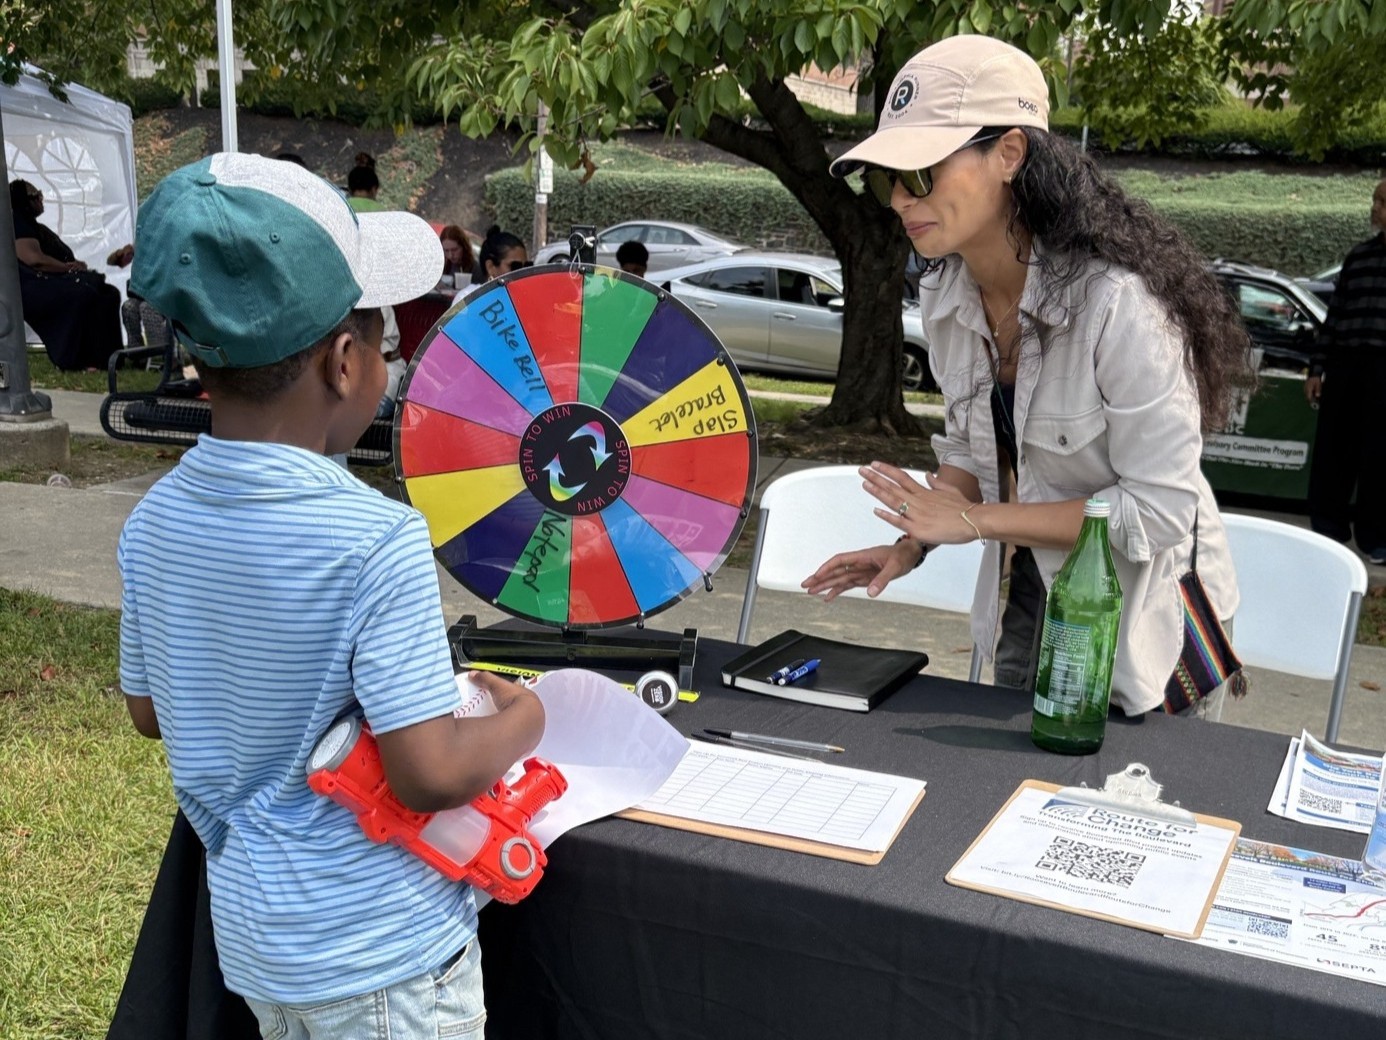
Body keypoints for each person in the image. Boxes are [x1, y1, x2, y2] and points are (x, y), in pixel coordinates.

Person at [118, 153, 545, 1037]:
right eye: (385, 343)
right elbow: (426, 773)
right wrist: (527, 718)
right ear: (346, 363)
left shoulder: (152, 523)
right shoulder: (376, 537)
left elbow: (149, 710)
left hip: (255, 943)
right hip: (385, 956)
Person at [802, 36, 1249, 720]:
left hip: (1145, 630)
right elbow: (971, 451)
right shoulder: (947, 294)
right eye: (886, 177)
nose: (897, 198)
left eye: (920, 171)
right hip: (1028, 600)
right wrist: (911, 543)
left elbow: (1159, 515)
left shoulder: (1118, 305)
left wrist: (974, 522)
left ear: (1009, 153)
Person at [1304, 177, 1386, 566]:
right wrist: (1317, 369)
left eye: (1383, 202)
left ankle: (1376, 538)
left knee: (1379, 457)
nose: (1375, 208)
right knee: (1334, 452)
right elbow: (1332, 318)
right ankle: (1328, 531)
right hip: (1347, 366)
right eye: (1375, 200)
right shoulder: (1359, 257)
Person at [9, 179, 123, 370]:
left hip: (52, 279)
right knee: (83, 294)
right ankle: (76, 360)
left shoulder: (35, 226)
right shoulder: (17, 223)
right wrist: (68, 268)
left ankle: (108, 359)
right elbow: (33, 259)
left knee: (108, 293)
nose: (40, 199)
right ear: (24, 201)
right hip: (33, 286)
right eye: (36, 195)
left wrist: (73, 266)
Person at [436, 224, 476, 294]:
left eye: (454, 250)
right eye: (446, 250)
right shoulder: (444, 266)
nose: (450, 255)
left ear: (464, 246)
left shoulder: (476, 269)